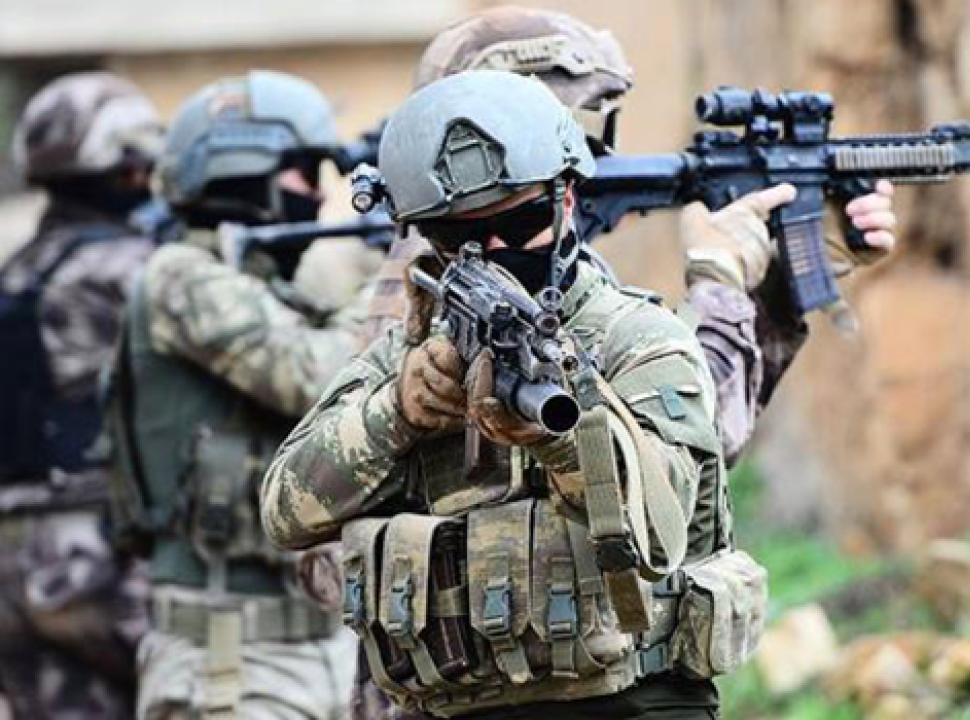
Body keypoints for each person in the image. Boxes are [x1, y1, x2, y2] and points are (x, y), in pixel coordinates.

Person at [263, 69, 764, 720]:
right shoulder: (407, 355)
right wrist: (397, 413)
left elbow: (662, 529)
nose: (498, 251)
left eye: (522, 221)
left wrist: (565, 439)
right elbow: (285, 512)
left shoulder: (638, 339)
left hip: (631, 701)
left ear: (566, 199)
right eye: (461, 239)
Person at [361, 5, 898, 466]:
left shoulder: (461, 260)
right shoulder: (460, 290)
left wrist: (779, 288)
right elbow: (687, 446)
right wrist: (718, 278)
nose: (587, 154)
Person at [106, 70, 362, 720]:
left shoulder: (271, 289)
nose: (320, 194)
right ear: (245, 169)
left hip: (320, 648)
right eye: (307, 172)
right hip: (226, 659)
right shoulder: (181, 277)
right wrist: (396, 280)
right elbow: (316, 376)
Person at [0, 71, 162, 720]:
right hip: (95, 550)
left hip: (12, 557)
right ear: (127, 166)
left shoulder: (20, 270)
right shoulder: (136, 270)